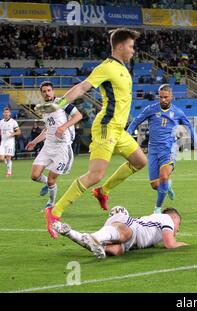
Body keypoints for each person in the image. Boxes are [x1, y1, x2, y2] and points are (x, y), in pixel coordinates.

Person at [37, 28, 147, 239]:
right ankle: (54, 212)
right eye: (131, 46)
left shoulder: (123, 68)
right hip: (106, 127)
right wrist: (59, 104)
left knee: (140, 162)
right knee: (94, 175)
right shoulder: (106, 67)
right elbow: (82, 87)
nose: (133, 51)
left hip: (119, 129)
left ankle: (103, 191)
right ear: (121, 46)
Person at [127, 84, 197, 214]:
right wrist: (128, 133)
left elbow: (190, 127)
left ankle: (157, 208)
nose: (163, 100)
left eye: (165, 97)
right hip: (153, 150)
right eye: (160, 97)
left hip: (169, 149)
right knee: (155, 185)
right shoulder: (151, 109)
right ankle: (168, 186)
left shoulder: (177, 112)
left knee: (163, 176)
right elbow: (136, 121)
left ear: (171, 97)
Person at [25, 81, 82, 208]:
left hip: (62, 147)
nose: (47, 93)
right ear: (41, 94)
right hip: (48, 146)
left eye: (49, 90)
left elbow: (78, 116)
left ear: (53, 91)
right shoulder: (44, 108)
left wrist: (63, 127)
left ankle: (51, 204)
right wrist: (34, 142)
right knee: (34, 176)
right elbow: (47, 129)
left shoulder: (61, 102)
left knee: (52, 180)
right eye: (44, 91)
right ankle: (47, 184)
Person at [52, 206, 187, 259]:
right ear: (174, 217)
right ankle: (94, 237)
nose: (178, 229)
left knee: (113, 250)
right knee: (124, 234)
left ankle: (69, 232)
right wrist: (186, 245)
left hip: (130, 242)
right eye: (179, 224)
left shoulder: (155, 222)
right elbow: (170, 244)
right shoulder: (167, 218)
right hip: (130, 227)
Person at [0, 107, 21, 177]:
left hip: (10, 142)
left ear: (10, 113)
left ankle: (9, 172)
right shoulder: (1, 122)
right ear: (3, 113)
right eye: (5, 112)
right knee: (1, 159)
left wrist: (13, 134)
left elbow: (19, 132)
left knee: (8, 157)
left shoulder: (13, 122)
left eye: (7, 112)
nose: (6, 114)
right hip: (3, 142)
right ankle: (5, 161)